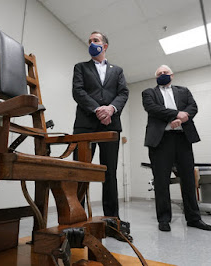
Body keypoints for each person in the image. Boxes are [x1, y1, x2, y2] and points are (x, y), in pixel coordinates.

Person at [142, 65, 211, 232]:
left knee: (188, 179)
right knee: (161, 181)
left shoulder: (184, 91)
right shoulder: (149, 92)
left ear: (172, 75)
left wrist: (181, 120)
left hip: (183, 139)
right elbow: (152, 108)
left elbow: (193, 107)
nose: (163, 75)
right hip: (160, 141)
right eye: (159, 73)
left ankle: (194, 218)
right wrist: (176, 115)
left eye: (165, 72)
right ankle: (164, 219)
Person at [72, 31, 129, 222]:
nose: (91, 43)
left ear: (104, 46)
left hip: (110, 125)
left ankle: (112, 221)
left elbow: (123, 93)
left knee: (109, 173)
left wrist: (111, 109)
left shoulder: (117, 70)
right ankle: (76, 219)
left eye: (95, 40)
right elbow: (78, 92)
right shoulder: (80, 67)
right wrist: (98, 110)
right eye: (89, 41)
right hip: (85, 126)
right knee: (80, 171)